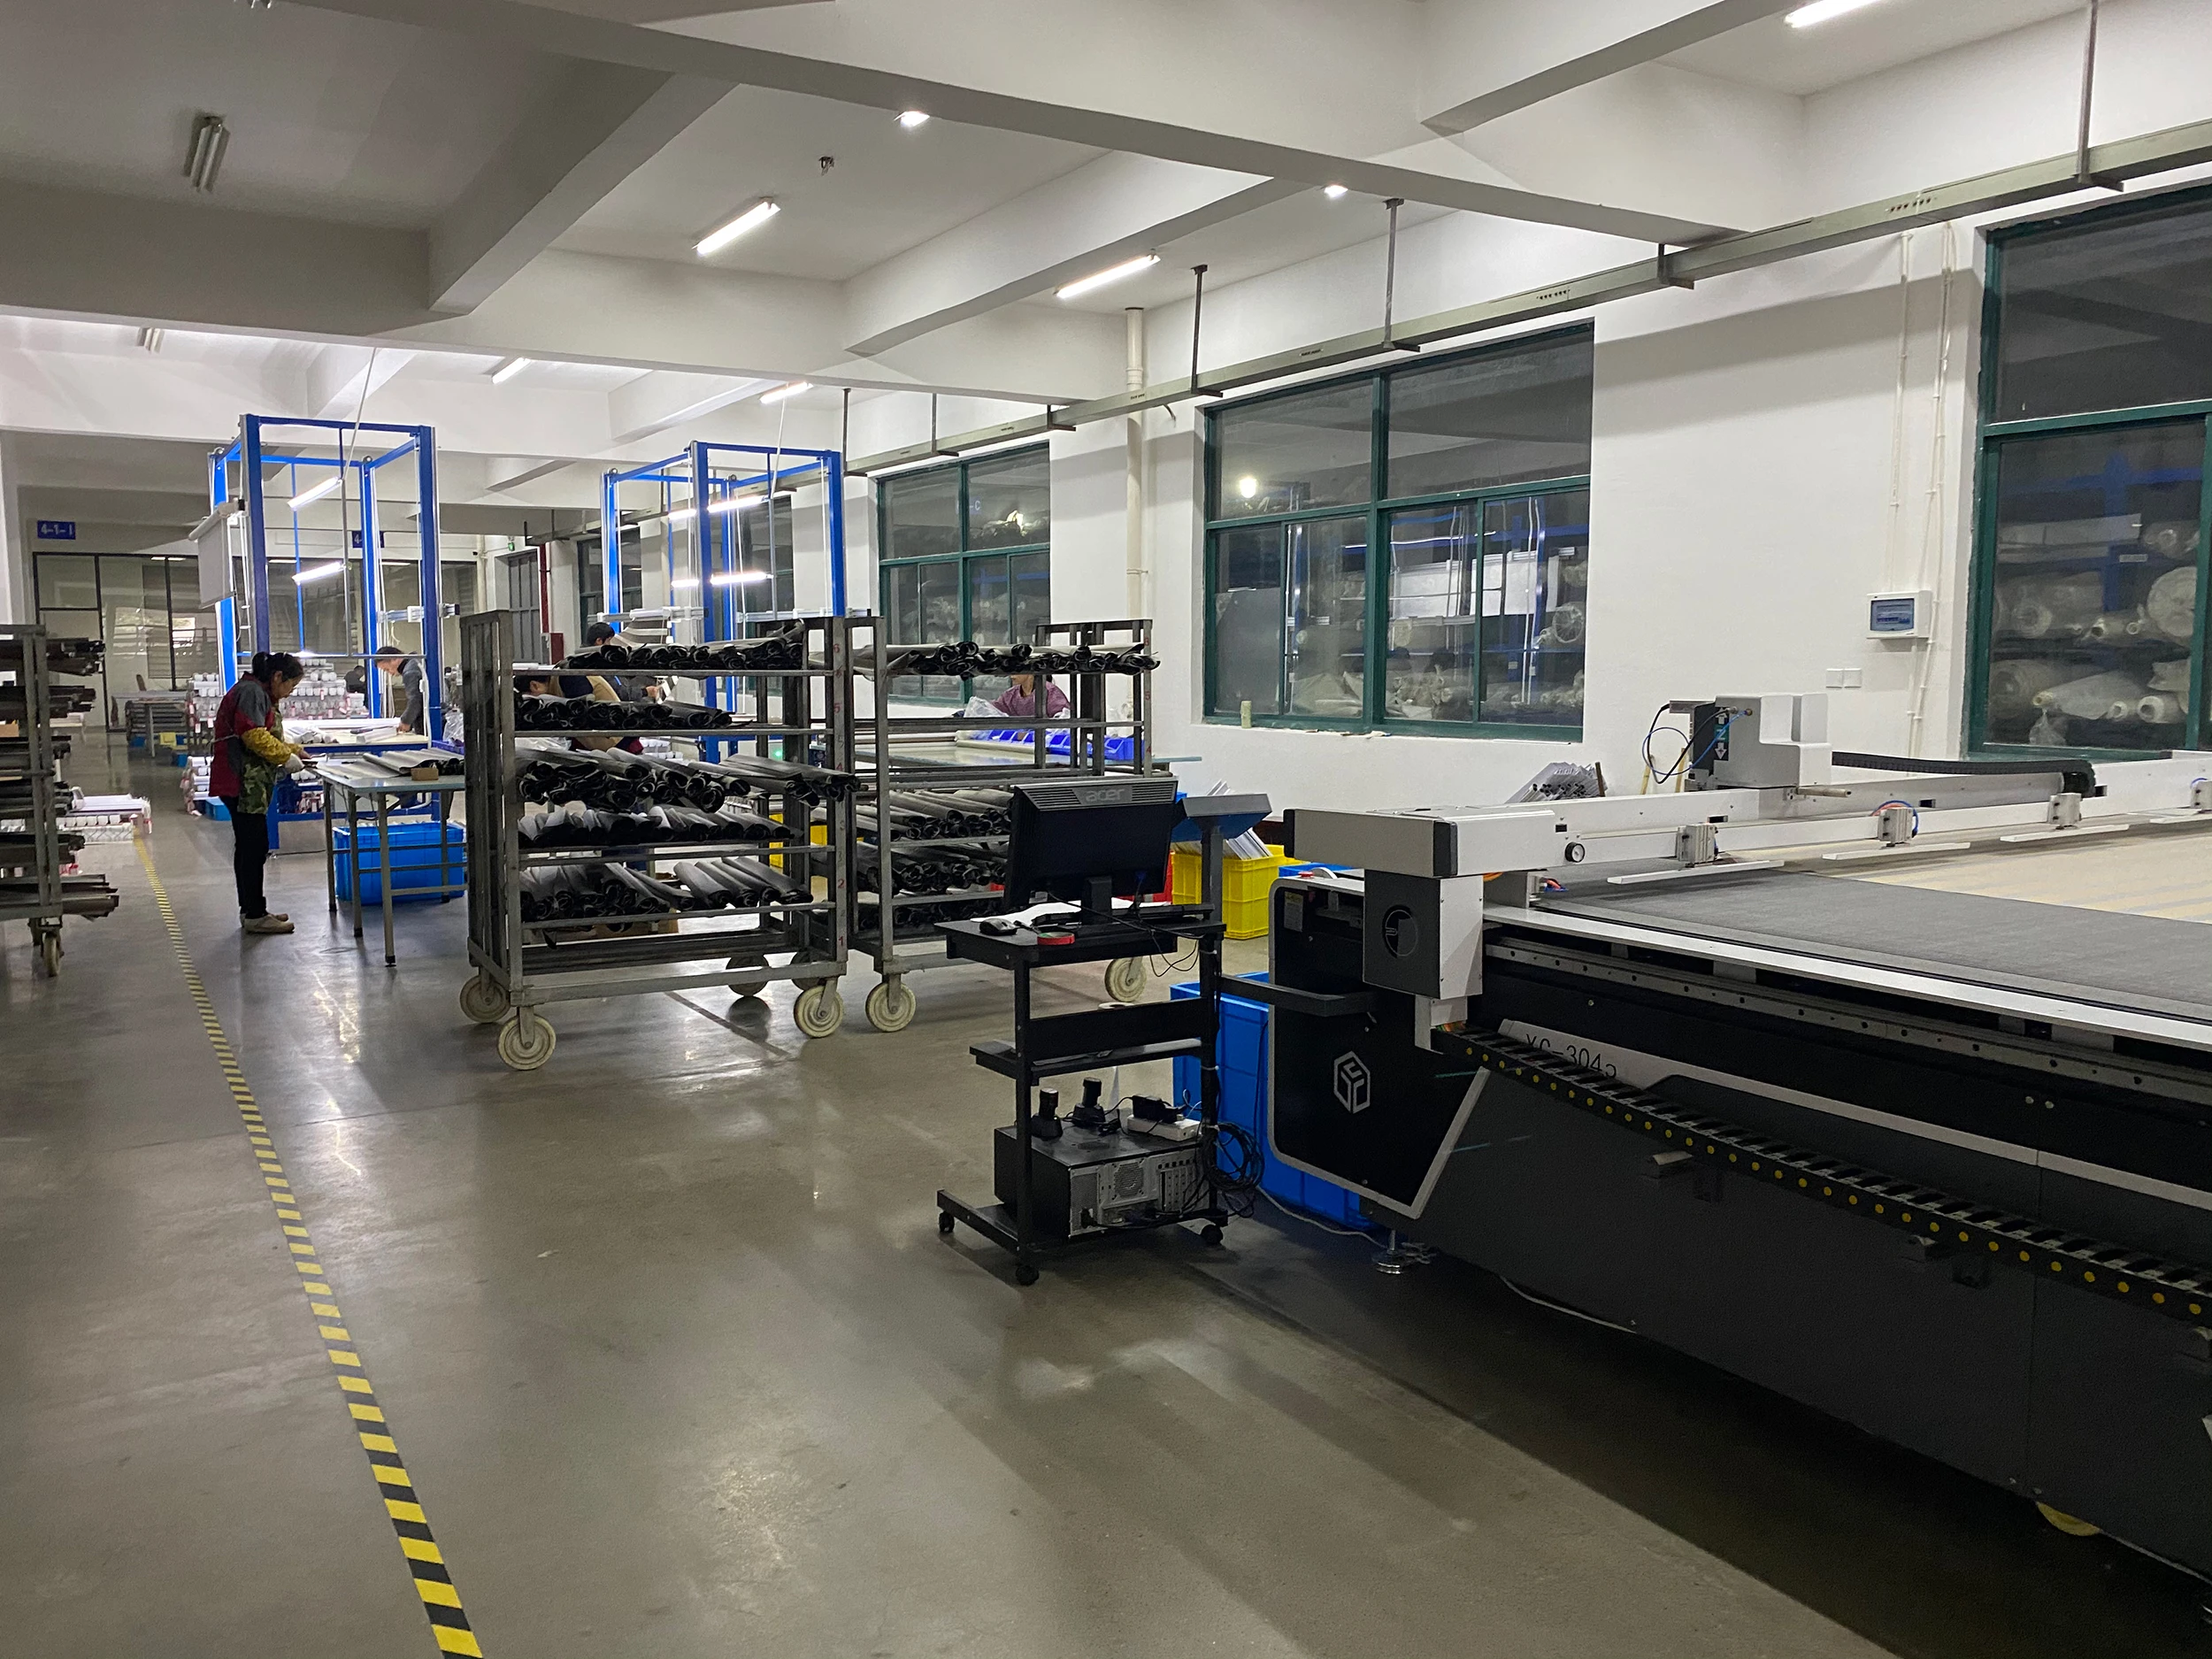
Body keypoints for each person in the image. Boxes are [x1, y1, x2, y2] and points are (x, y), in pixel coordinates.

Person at [208, 652, 308, 935]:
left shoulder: (258, 692)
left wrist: (294, 749)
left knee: (250, 846)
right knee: (253, 847)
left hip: (247, 782)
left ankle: (253, 909)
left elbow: (267, 735)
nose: (290, 692)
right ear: (277, 677)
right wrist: (285, 757)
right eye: (290, 685)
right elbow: (253, 735)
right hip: (242, 781)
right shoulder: (251, 692)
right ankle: (254, 914)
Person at [582, 621, 662, 703]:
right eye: (609, 641)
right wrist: (645, 692)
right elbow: (621, 693)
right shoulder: (598, 665)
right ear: (599, 641)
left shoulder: (585, 659)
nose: (611, 645)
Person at [374, 644, 426, 734]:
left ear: (394, 659)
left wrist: (406, 721)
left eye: (387, 669)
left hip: (429, 723)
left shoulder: (410, 672)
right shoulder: (416, 662)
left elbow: (415, 700)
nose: (390, 673)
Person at [987, 672, 1069, 719]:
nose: (1012, 675)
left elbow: (1062, 719)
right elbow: (996, 710)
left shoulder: (1050, 691)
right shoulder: (1010, 694)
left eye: (1017, 670)